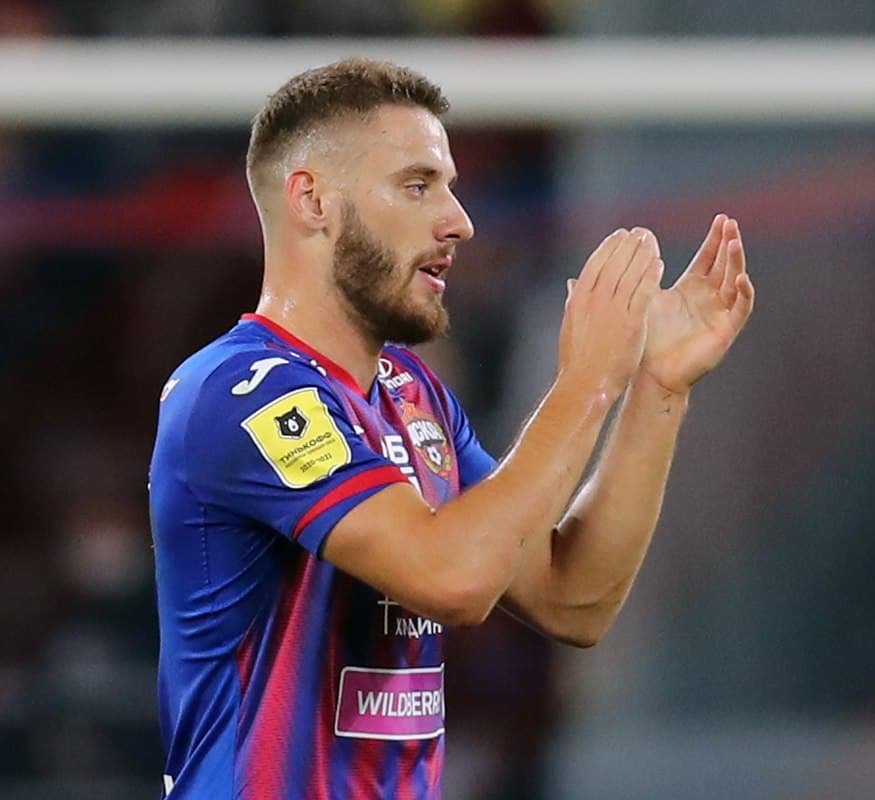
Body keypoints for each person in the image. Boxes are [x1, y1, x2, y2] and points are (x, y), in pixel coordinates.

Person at [148, 58, 754, 799]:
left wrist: (657, 387)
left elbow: (573, 599)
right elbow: (452, 578)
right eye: (417, 185)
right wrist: (588, 380)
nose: (458, 221)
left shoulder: (412, 394)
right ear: (312, 199)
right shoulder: (239, 393)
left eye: (450, 187)